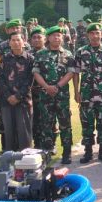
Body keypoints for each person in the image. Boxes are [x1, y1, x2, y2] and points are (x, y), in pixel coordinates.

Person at [32, 26, 75, 163]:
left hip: (62, 95)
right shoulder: (40, 54)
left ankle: (67, 153)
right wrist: (46, 87)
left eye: (59, 35)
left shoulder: (68, 54)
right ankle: (47, 151)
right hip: (45, 96)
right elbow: (36, 73)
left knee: (65, 124)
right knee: (46, 124)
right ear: (48, 38)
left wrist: (57, 86)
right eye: (54, 36)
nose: (57, 38)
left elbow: (70, 72)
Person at [74, 22, 102, 164]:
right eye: (92, 33)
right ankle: (88, 152)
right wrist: (76, 92)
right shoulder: (81, 52)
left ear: (101, 34)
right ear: (87, 35)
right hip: (86, 95)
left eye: (97, 33)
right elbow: (76, 73)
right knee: (87, 124)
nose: (95, 36)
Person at [0, 32, 35, 153]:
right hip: (7, 100)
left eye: (18, 40)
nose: (16, 42)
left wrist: (18, 96)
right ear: (9, 43)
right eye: (13, 40)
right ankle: (9, 154)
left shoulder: (30, 59)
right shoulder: (4, 59)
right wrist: (9, 96)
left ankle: (25, 154)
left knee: (24, 128)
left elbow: (30, 80)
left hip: (23, 100)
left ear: (24, 41)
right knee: (9, 129)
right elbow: (0, 79)